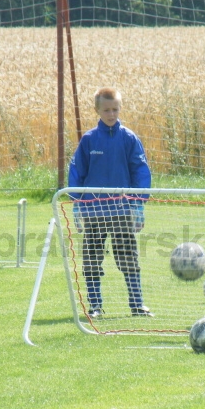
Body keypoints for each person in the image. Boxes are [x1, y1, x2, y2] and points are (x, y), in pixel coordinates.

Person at [68, 87, 153, 319]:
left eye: (115, 109)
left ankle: (137, 304)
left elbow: (140, 172)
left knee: (128, 257)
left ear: (120, 109)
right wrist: (77, 203)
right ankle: (95, 306)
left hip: (122, 210)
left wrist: (138, 204)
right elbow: (77, 171)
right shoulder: (88, 140)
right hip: (94, 211)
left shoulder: (129, 138)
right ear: (97, 110)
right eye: (106, 110)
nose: (111, 114)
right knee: (92, 258)